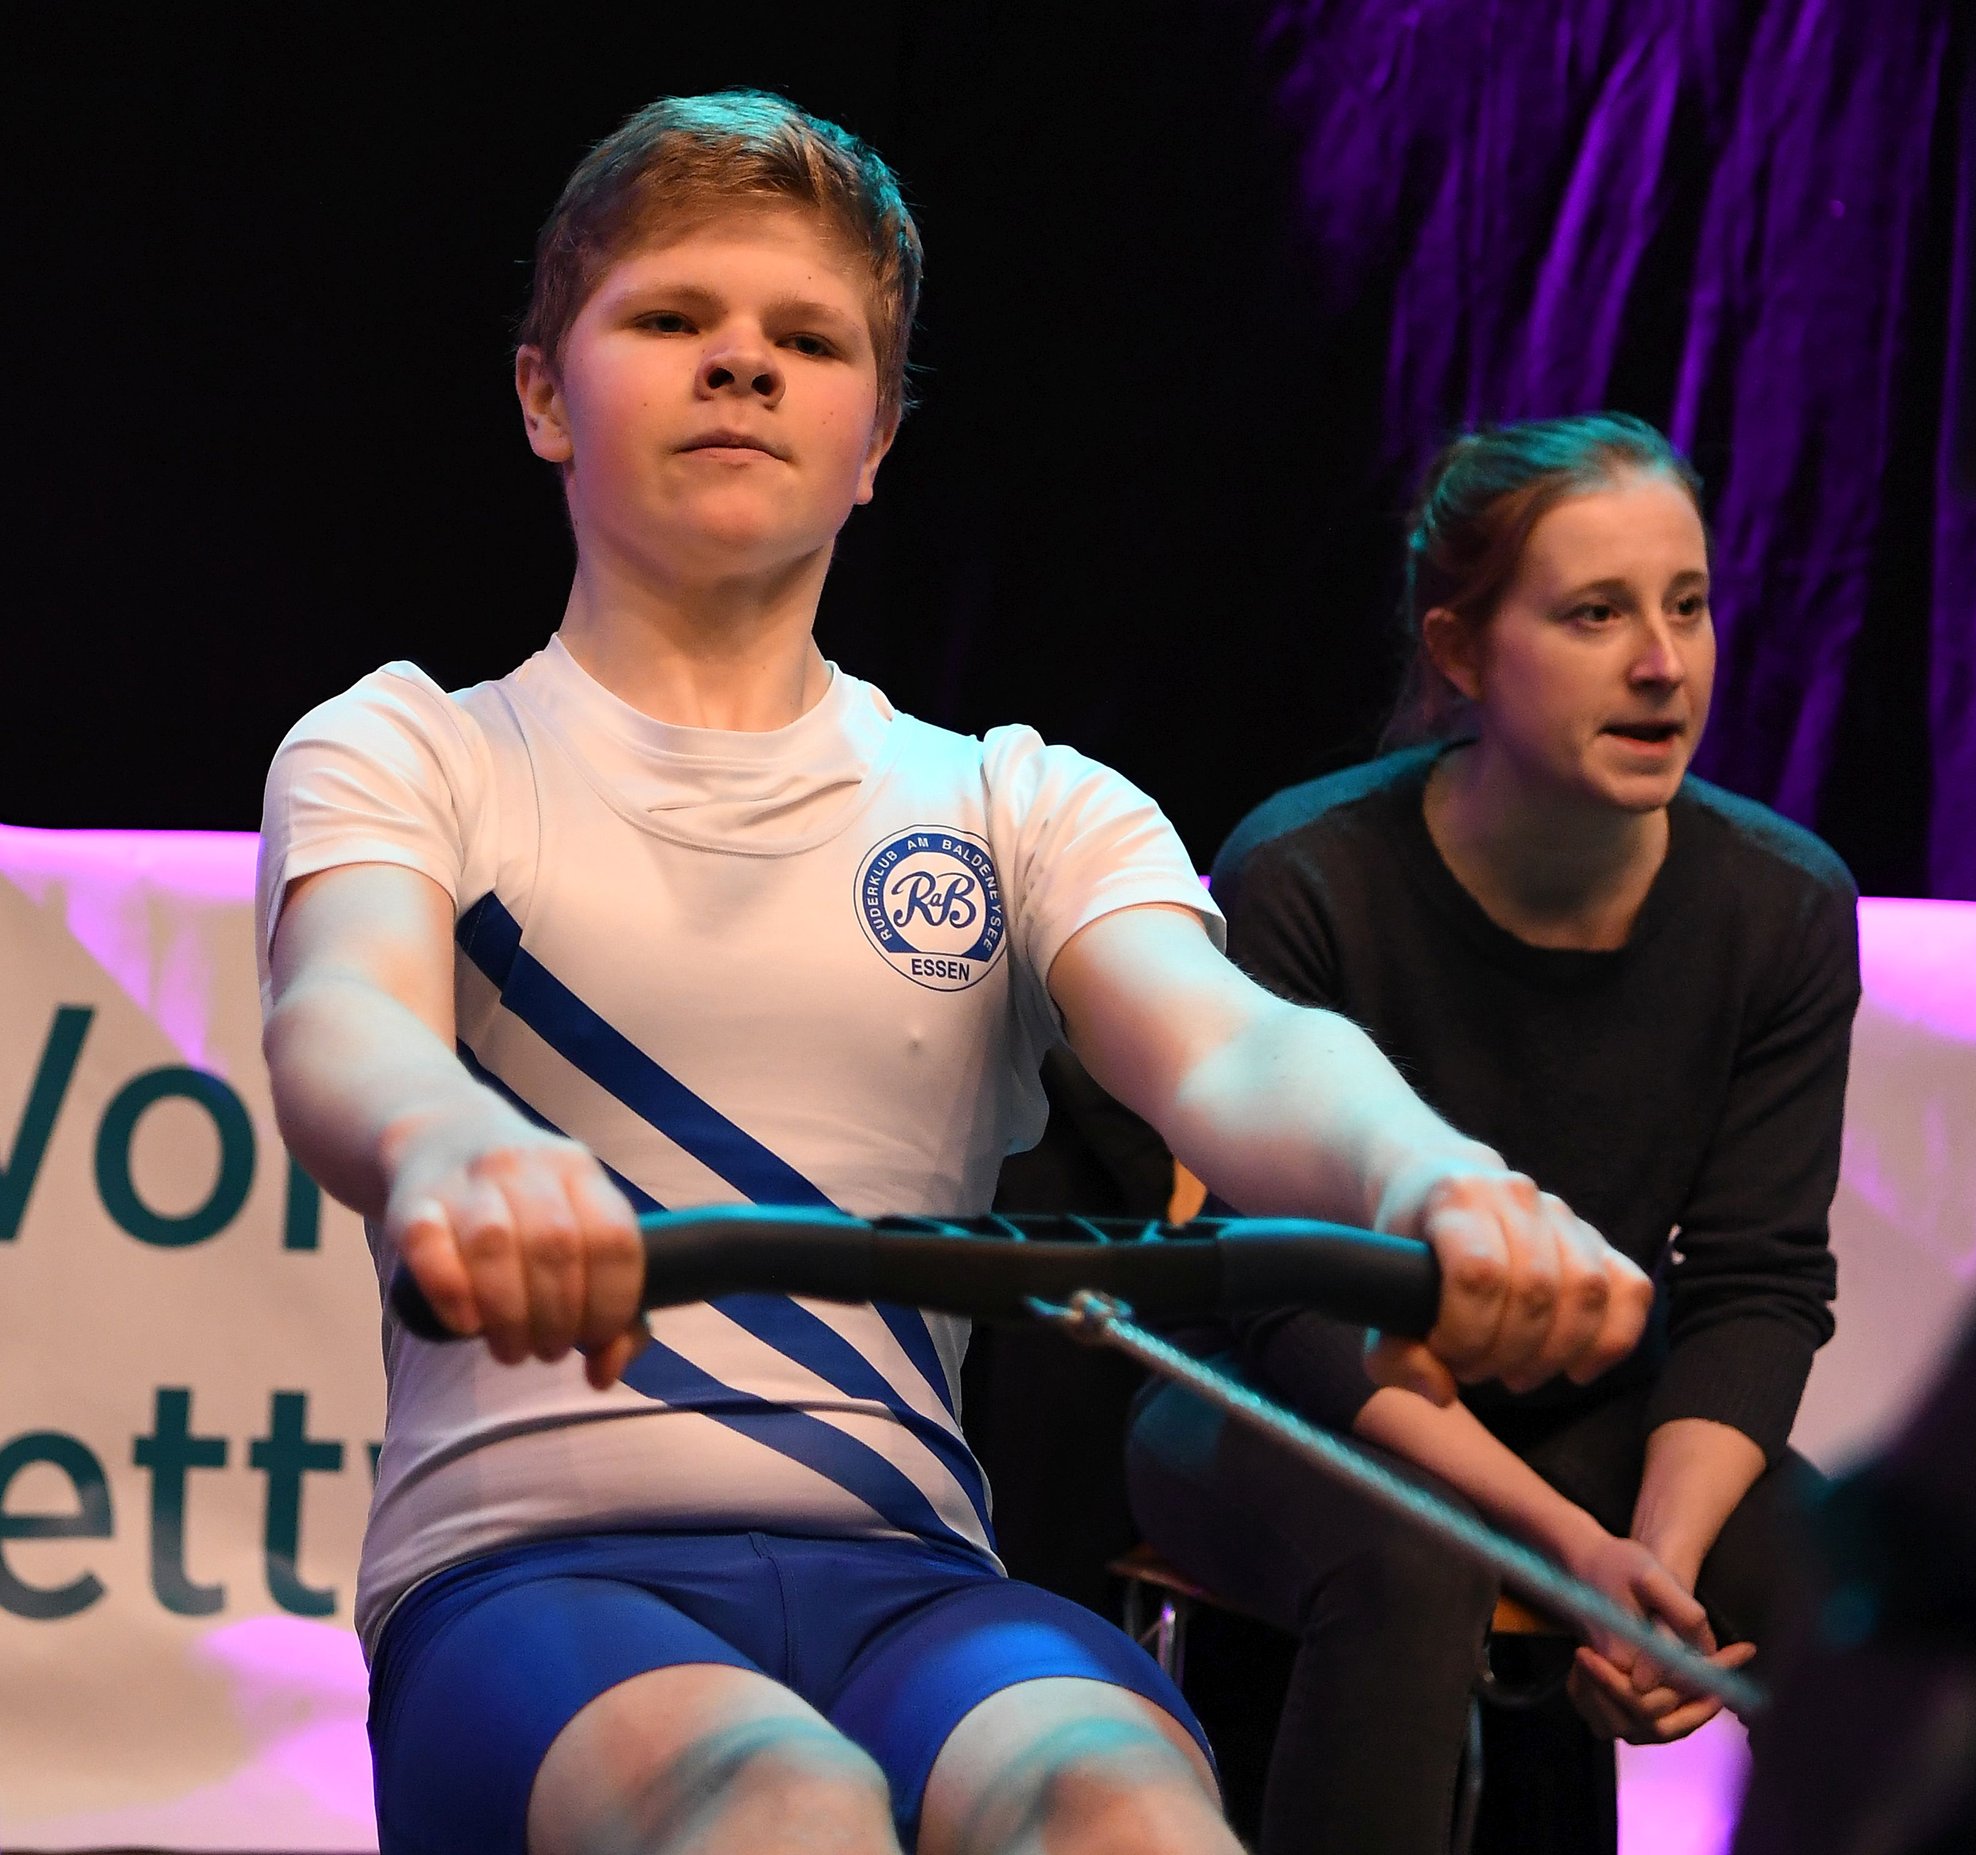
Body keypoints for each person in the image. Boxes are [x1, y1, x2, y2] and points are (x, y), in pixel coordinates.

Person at [255, 95, 1653, 1855]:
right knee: (778, 1806)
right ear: (545, 395)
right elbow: (346, 1016)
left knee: (1127, 1814)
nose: (742, 364)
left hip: (913, 1587)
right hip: (529, 1580)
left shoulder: (1020, 800)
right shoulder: (410, 749)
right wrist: (452, 1145)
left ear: (877, 442)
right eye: (673, 318)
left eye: (808, 340)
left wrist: (1437, 1180)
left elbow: (1238, 1052)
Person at [1125, 412, 1859, 1854]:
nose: (1663, 663)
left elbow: (1757, 1281)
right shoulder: (1309, 872)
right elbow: (1288, 1304)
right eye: (1597, 615)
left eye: (1688, 606)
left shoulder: (1782, 906)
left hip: (1587, 1403)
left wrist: (1658, 1567)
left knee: (1853, 1583)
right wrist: (1578, 1553)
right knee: (1416, 1561)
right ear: (1460, 654)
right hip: (1286, 1391)